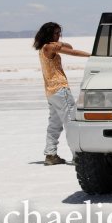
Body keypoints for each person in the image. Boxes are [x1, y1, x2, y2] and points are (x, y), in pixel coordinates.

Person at [33, 22, 90, 165]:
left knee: (54, 124)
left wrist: (60, 42)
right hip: (60, 89)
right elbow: (73, 52)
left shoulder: (44, 47)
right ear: (48, 34)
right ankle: (78, 155)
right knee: (71, 121)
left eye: (59, 33)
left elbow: (69, 47)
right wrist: (92, 55)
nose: (59, 36)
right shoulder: (50, 47)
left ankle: (50, 154)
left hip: (51, 92)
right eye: (56, 33)